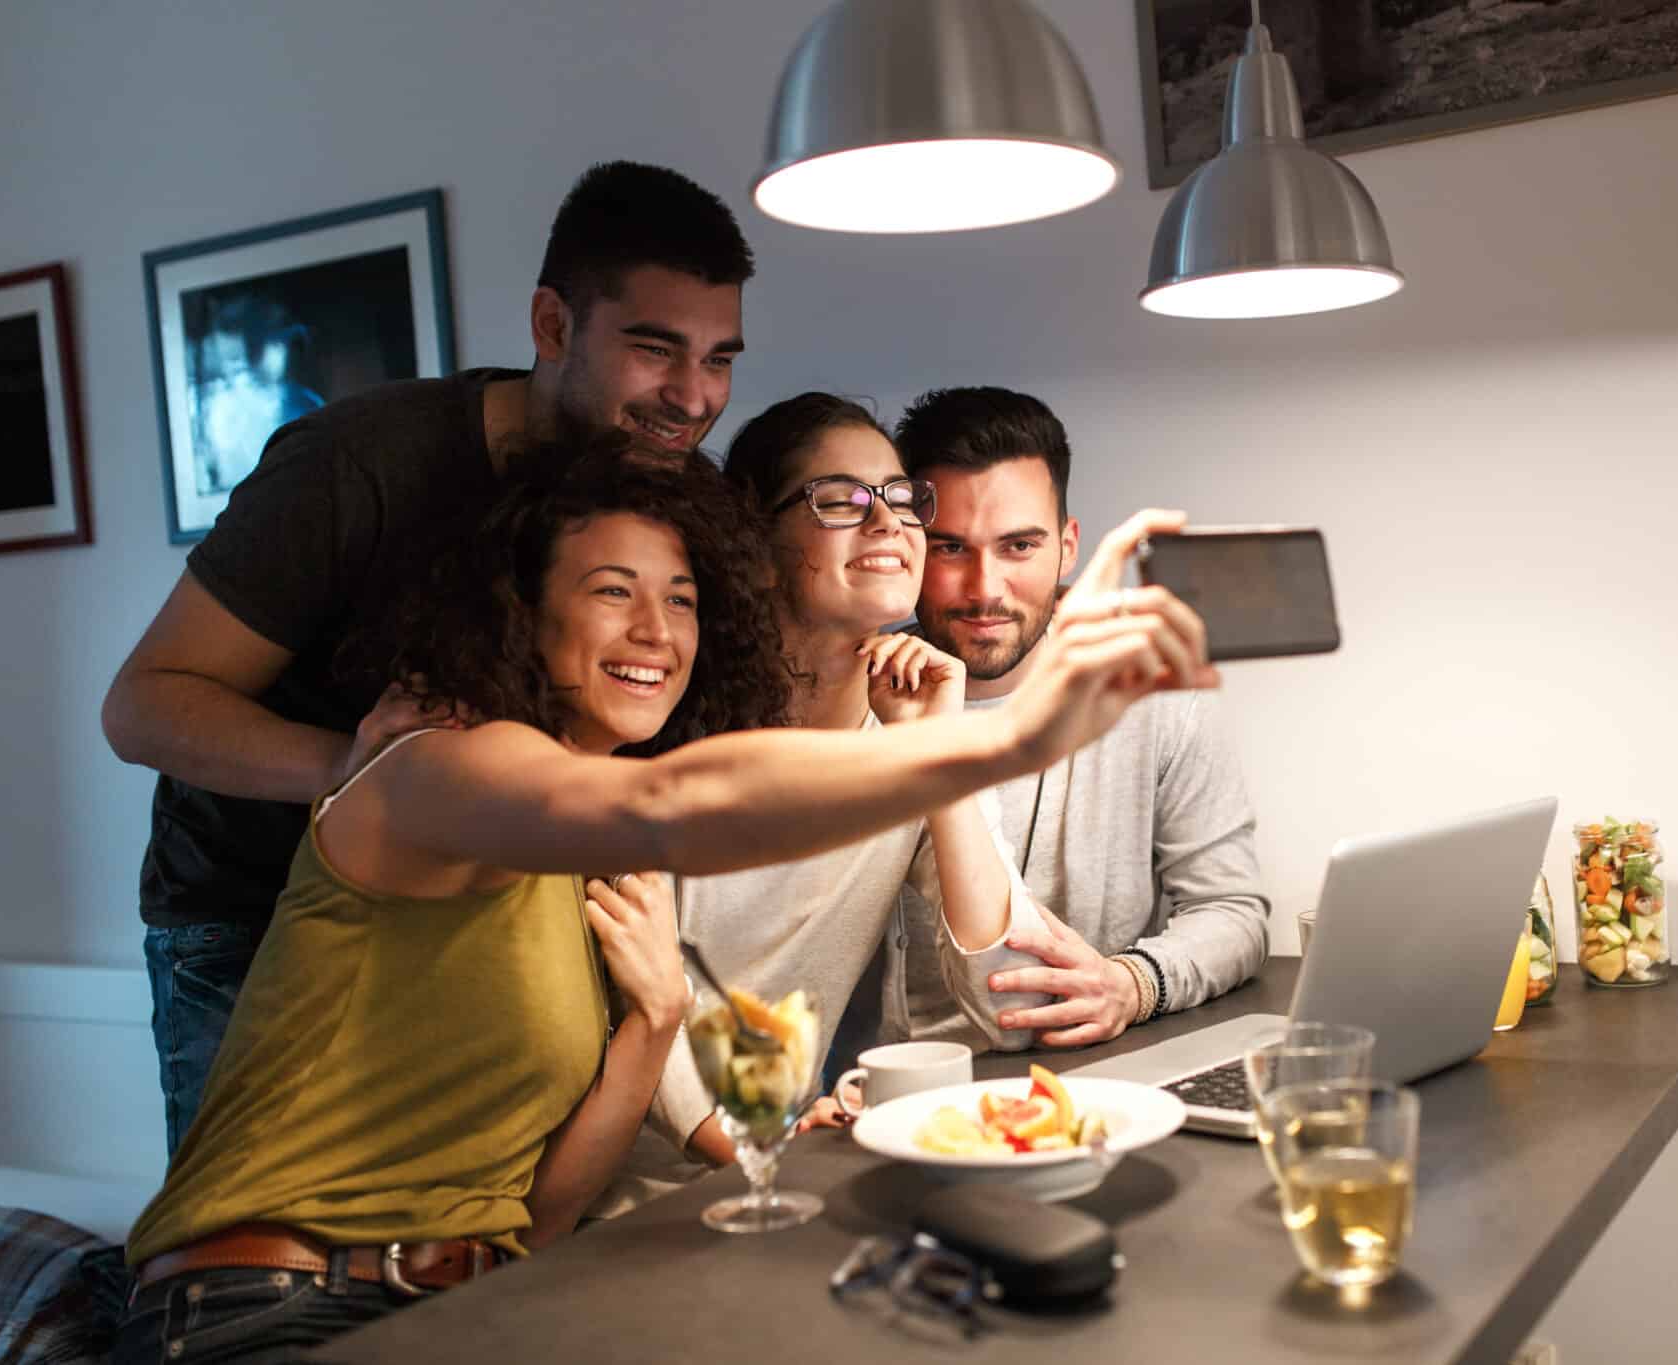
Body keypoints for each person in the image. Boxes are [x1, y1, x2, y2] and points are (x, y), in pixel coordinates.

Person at [115, 435, 1213, 1363]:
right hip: (268, 1310)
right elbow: (668, 802)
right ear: (520, 614)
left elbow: (534, 1219)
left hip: (463, 1301)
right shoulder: (440, 766)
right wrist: (1006, 738)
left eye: (681, 599)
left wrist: (647, 1022)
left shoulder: (577, 864)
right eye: (612, 592)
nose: (656, 631)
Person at [100, 160, 755, 1157]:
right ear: (551, 327)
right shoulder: (356, 466)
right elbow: (143, 706)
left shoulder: (659, 487)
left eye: (719, 360)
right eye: (656, 350)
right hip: (252, 917)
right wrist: (355, 769)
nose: (692, 397)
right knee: (262, 1254)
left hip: (472, 918)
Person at [596, 392, 1135, 1207]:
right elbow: (638, 999)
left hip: (793, 1178)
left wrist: (936, 757)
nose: (888, 521)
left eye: (900, 497)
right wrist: (753, 1140)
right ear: (755, 539)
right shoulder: (659, 719)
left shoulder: (905, 740)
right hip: (632, 1197)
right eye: (841, 499)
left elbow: (1011, 995)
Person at [888, 386, 1270, 1050]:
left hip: (1103, 1076)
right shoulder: (864, 695)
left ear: (1068, 547)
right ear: (909, 546)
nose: (984, 588)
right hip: (898, 1097)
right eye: (950, 548)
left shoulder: (1148, 678)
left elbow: (1232, 910)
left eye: (1018, 546)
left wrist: (1133, 984)